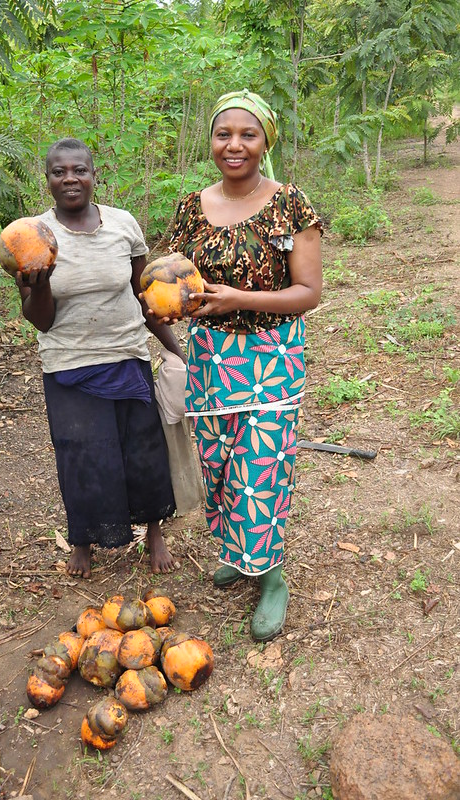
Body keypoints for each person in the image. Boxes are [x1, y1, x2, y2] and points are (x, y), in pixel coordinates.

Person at [166, 90, 323, 641]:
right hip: (210, 356)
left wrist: (240, 299)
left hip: (272, 356)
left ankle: (272, 575)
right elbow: (173, 278)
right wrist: (159, 297)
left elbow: (308, 293)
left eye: (247, 134)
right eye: (223, 134)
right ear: (211, 141)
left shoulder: (289, 205)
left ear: (265, 142)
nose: (234, 145)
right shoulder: (191, 206)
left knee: (262, 468)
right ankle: (241, 552)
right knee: (221, 462)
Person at [15, 137, 185, 578]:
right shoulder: (32, 237)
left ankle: (153, 533)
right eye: (59, 172)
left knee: (143, 449)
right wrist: (43, 281)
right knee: (81, 454)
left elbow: (144, 294)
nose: (70, 178)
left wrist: (178, 351)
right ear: (48, 181)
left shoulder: (123, 225)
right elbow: (41, 320)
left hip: (127, 356)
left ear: (94, 175)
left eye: (79, 170)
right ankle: (84, 540)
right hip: (69, 364)